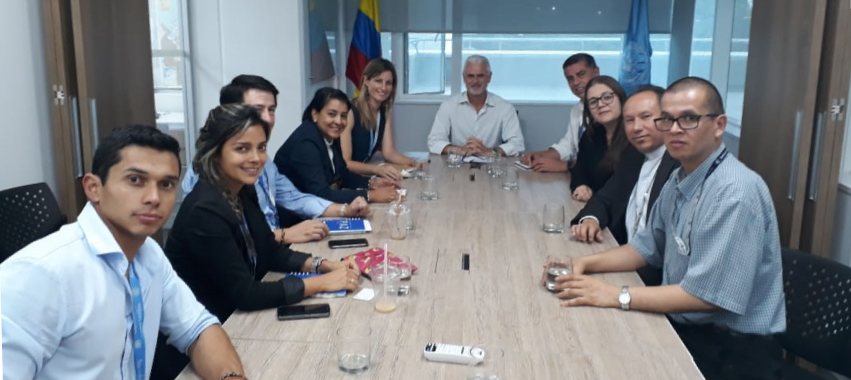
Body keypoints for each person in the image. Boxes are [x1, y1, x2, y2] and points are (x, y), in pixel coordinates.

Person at [549, 77, 785, 380]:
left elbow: (705, 296)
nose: (674, 129)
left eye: (688, 118)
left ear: (719, 125)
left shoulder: (733, 192)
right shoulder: (681, 178)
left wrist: (614, 295)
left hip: (731, 352)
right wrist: (581, 263)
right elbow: (645, 247)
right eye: (667, 119)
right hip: (687, 328)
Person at [1, 125, 248, 380]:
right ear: (93, 188)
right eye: (135, 180)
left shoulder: (148, 254)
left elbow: (197, 328)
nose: (154, 197)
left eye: (166, 184)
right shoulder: (40, 274)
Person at [157, 105, 362, 378]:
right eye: (242, 149)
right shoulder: (204, 209)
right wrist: (322, 283)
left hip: (239, 325)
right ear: (215, 152)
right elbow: (246, 294)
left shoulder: (241, 189)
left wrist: (324, 265)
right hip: (200, 349)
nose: (256, 158)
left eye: (261, 147)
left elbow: (269, 251)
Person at [182, 75, 369, 244]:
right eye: (257, 110)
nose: (267, 119)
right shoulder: (209, 171)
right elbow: (234, 240)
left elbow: (294, 197)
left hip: (271, 251)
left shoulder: (265, 162)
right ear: (230, 113)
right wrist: (286, 234)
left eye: (271, 110)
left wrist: (344, 210)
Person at [570, 85, 679, 287]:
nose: (636, 127)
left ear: (667, 119)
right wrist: (591, 219)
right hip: (624, 263)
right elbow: (606, 197)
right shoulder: (634, 155)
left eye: (645, 117)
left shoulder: (681, 167)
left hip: (656, 283)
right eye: (629, 120)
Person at [275, 88, 399, 204]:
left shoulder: (329, 135)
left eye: (343, 116)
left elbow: (343, 175)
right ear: (315, 114)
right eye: (332, 114)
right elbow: (321, 194)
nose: (339, 121)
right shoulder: (306, 143)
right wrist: (371, 195)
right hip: (293, 215)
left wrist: (371, 183)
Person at [343, 58, 424, 181]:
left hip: (361, 174)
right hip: (340, 179)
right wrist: (377, 169)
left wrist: (414, 162)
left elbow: (389, 152)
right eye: (378, 81)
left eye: (388, 83)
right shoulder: (350, 111)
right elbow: (346, 163)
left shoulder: (384, 111)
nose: (384, 87)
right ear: (366, 81)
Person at [426, 55, 525, 156]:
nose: (475, 81)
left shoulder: (505, 108)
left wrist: (489, 152)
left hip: (492, 163)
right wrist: (460, 150)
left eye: (480, 76)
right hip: (457, 163)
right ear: (464, 78)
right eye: (470, 76)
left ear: (489, 77)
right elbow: (434, 141)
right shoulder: (448, 106)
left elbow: (517, 144)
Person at [520, 53, 600, 172]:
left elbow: (602, 158)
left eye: (581, 75)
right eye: (570, 79)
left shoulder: (608, 109)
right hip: (580, 176)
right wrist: (539, 155)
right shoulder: (577, 110)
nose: (576, 82)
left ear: (596, 72)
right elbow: (567, 147)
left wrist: (564, 166)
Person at [569, 75, 630, 202]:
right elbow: (579, 170)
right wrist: (581, 185)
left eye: (607, 97)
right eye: (593, 101)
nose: (600, 104)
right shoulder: (591, 135)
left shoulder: (634, 135)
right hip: (595, 206)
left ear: (621, 99)